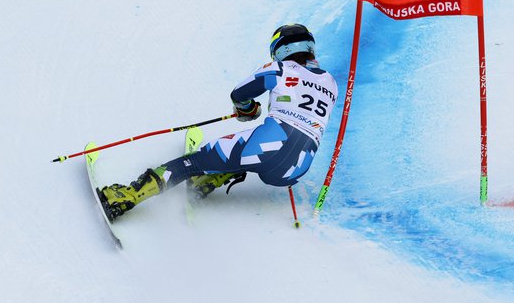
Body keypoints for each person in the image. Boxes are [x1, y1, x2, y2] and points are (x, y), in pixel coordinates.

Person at [99, 23, 338, 221]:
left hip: (270, 142)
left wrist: (247, 109)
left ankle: (126, 196)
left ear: (280, 49)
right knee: (248, 154)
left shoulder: (279, 68)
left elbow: (240, 93)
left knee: (196, 161)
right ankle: (208, 180)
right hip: (295, 169)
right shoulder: (331, 83)